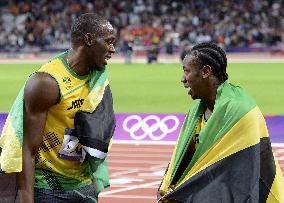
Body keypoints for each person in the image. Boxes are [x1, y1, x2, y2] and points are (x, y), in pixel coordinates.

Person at [0, 13, 116, 203]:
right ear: (88, 39)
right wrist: (26, 198)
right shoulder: (46, 83)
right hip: (48, 190)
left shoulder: (97, 80)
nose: (112, 50)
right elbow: (27, 150)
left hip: (85, 185)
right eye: (109, 42)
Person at [157, 42, 284, 203]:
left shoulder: (241, 111)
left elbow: (240, 175)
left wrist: (186, 195)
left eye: (187, 71)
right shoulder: (196, 112)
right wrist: (167, 187)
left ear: (205, 72)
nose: (183, 79)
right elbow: (182, 158)